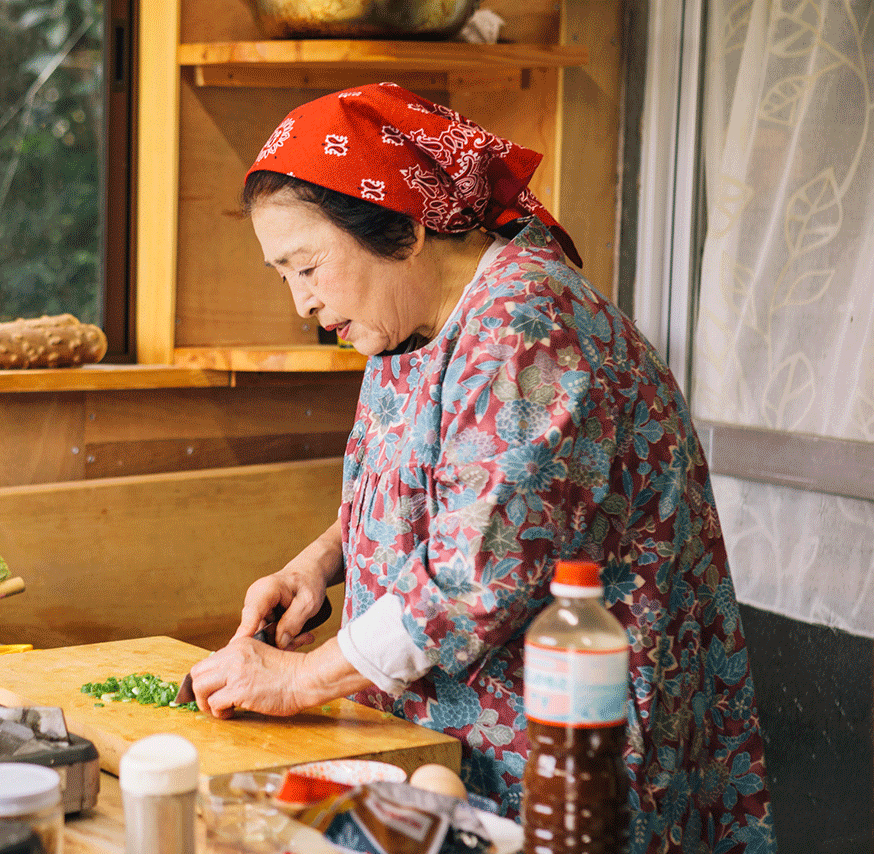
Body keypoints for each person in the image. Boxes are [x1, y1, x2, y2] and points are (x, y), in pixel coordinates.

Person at [185, 83, 775, 854]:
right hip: (462, 746)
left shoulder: (526, 328)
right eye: (283, 275)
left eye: (307, 266)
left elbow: (471, 582)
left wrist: (297, 680)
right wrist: (318, 562)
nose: (301, 302)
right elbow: (432, 484)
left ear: (404, 224)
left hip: (569, 750)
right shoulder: (414, 319)